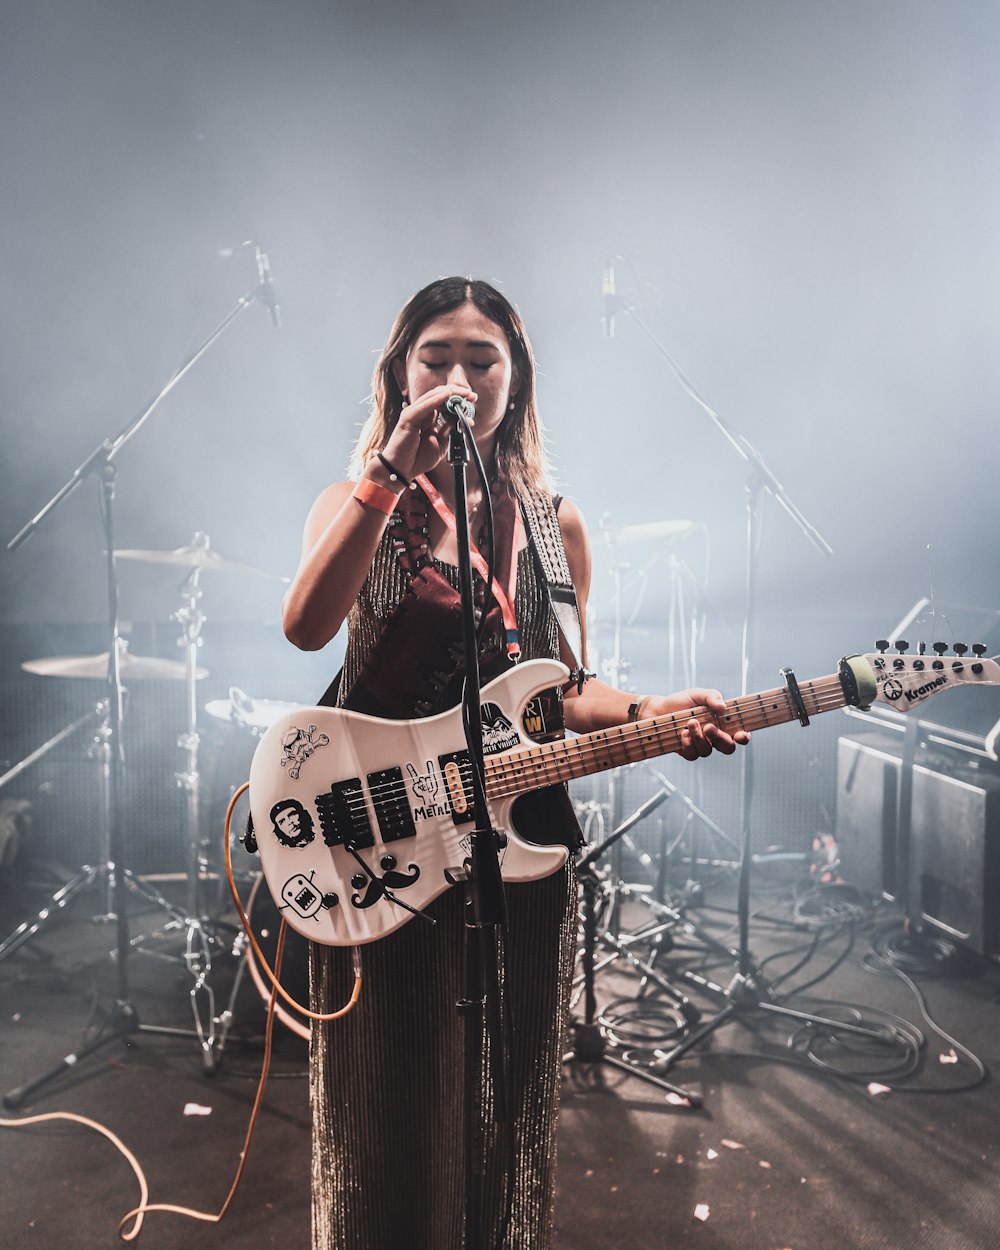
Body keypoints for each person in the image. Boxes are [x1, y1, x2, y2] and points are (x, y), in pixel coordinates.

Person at [281, 276, 749, 1250]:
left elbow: (562, 686)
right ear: (400, 373)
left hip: (515, 833)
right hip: (380, 824)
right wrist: (385, 475)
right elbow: (305, 627)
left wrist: (652, 708)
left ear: (514, 378)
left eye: (479, 357)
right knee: (383, 1092)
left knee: (503, 1087)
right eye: (435, 356)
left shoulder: (551, 521)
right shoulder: (354, 498)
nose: (457, 374)